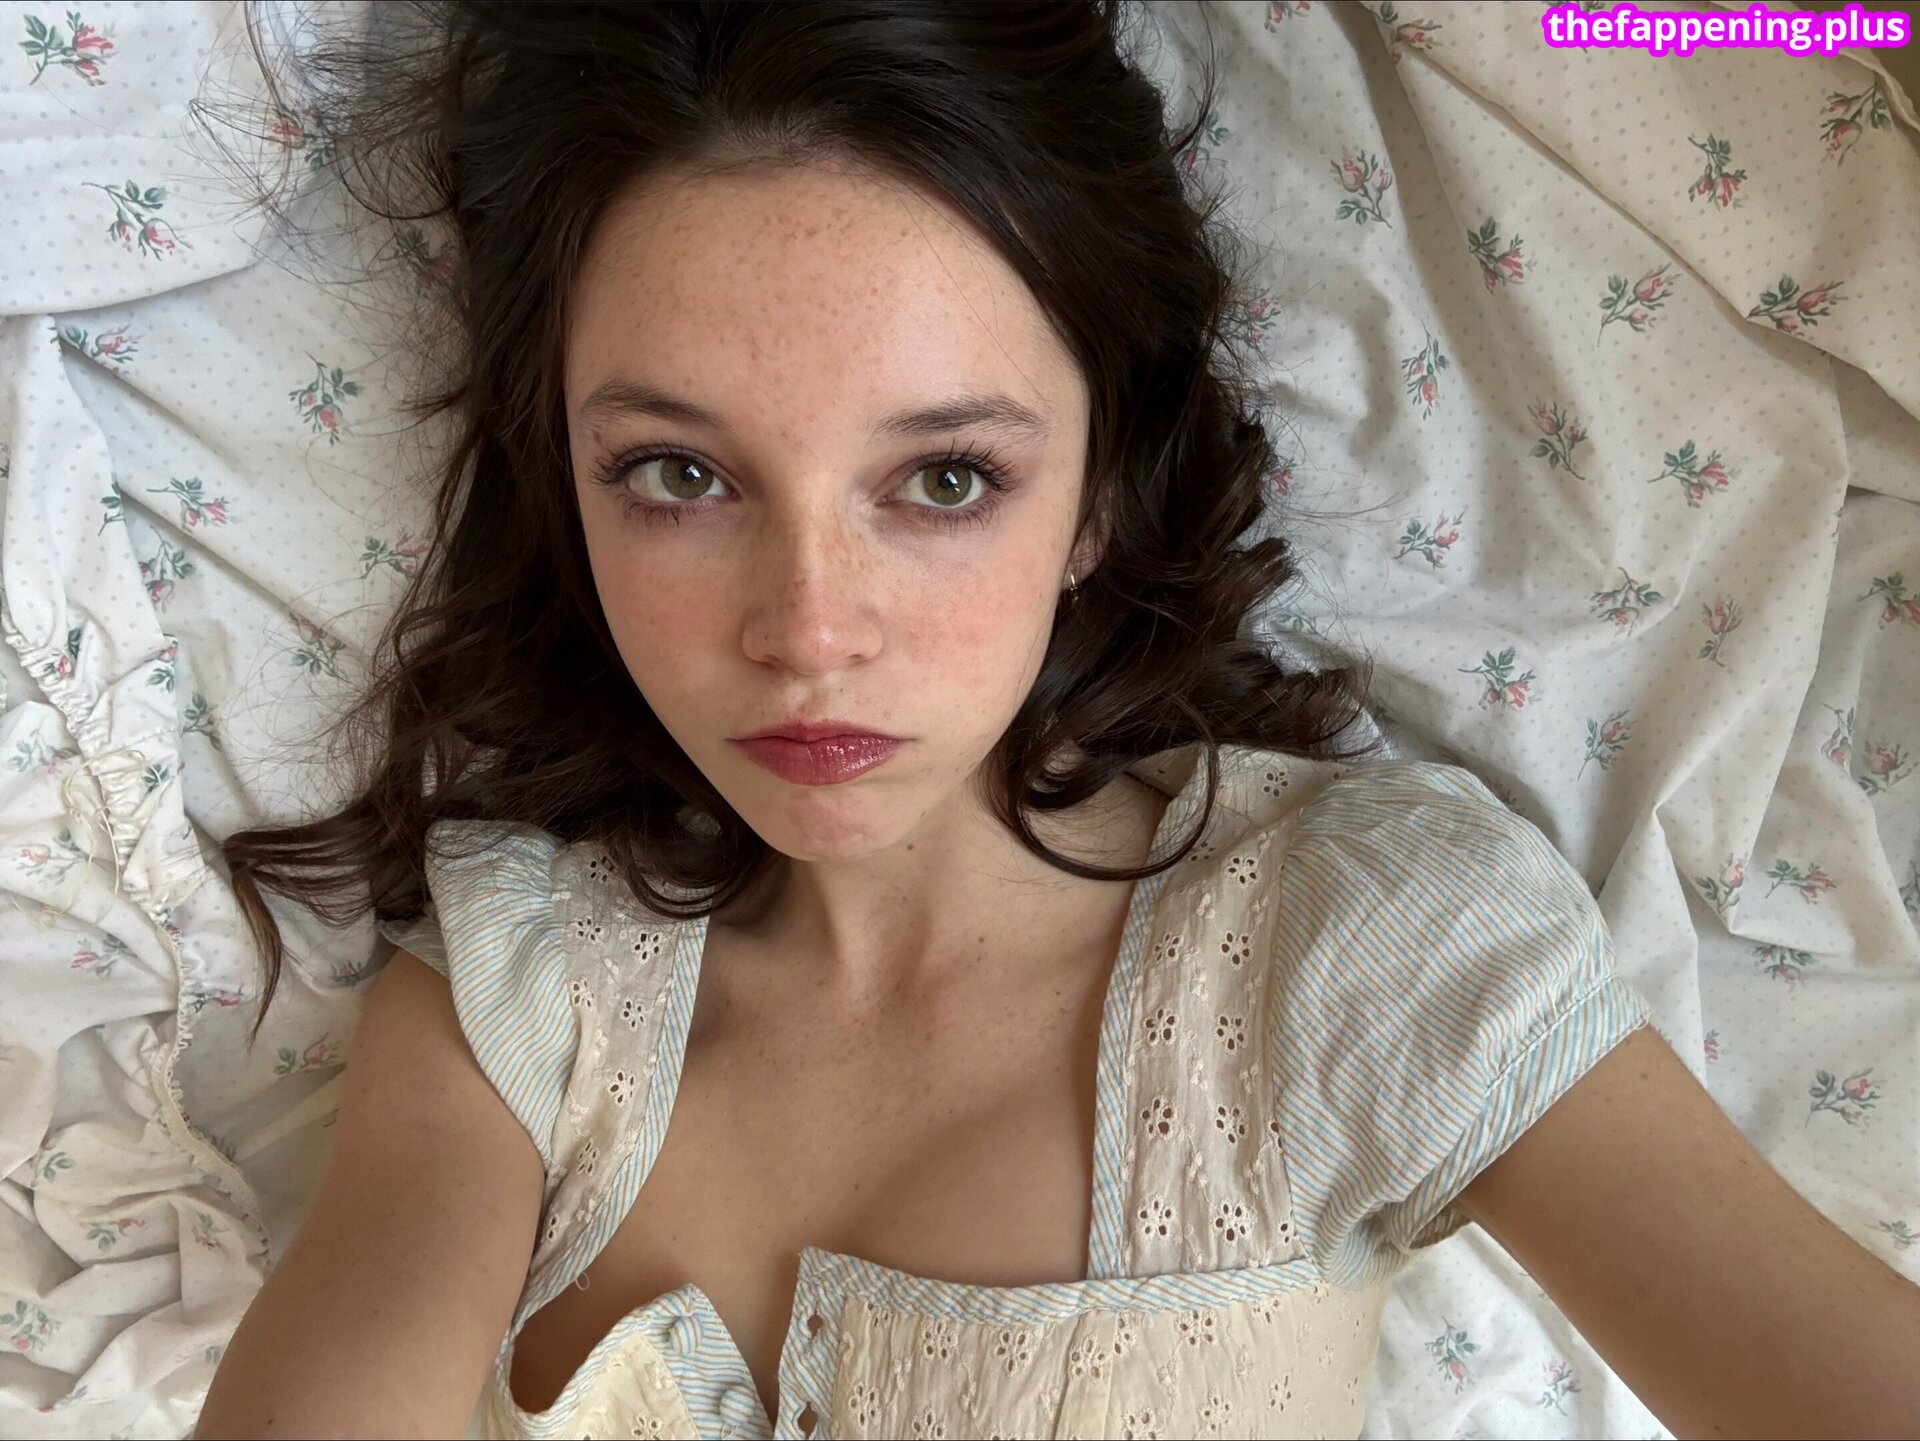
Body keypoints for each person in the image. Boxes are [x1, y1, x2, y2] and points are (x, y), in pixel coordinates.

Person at [195, 3, 1920, 1438]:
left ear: (1097, 492)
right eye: (679, 474)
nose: (809, 630)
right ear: (566, 487)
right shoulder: (514, 1004)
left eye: (945, 477)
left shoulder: (1356, 941)